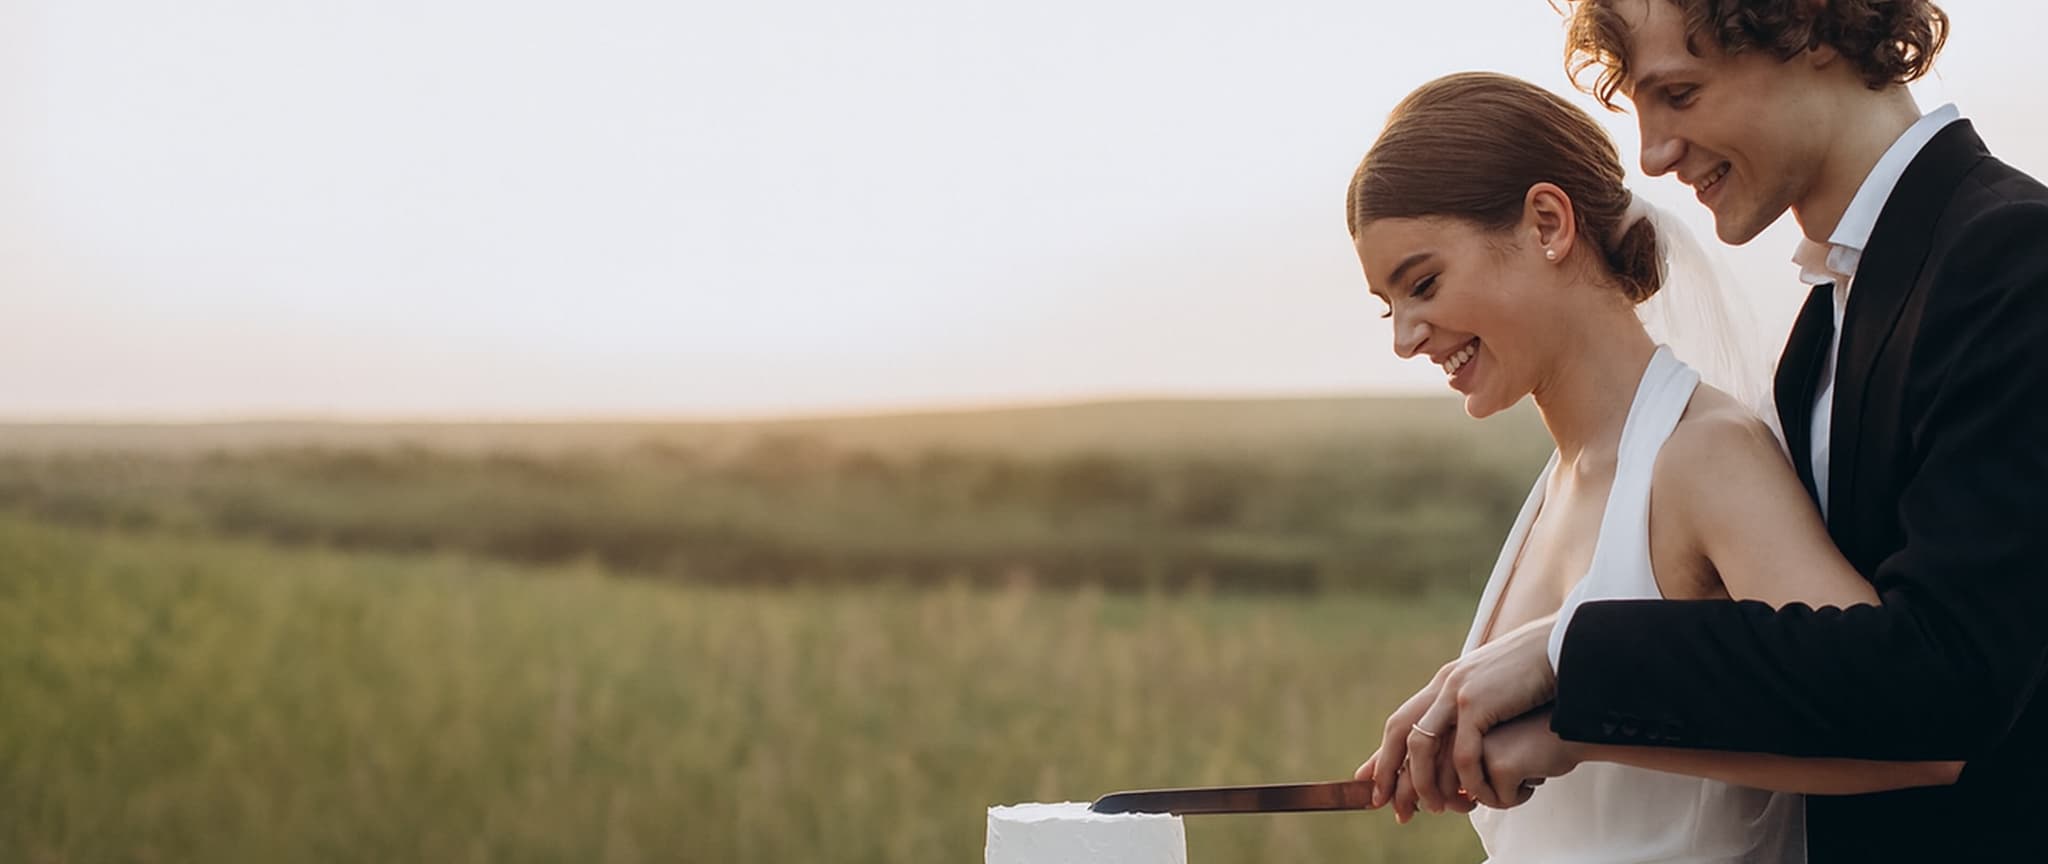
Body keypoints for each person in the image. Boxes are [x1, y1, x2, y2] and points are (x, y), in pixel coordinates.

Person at [1363, 2, 2048, 861]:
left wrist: (1571, 658)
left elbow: (1942, 691)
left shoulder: (2015, 258)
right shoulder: (1820, 337)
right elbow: (1814, 669)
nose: (1649, 154)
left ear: (1811, 31)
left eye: (1680, 94)